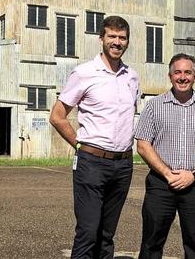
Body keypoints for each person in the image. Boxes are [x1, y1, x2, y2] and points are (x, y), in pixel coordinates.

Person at [49, 16, 140, 259]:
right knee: (88, 231)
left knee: (107, 234)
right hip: (92, 162)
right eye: (112, 36)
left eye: (122, 38)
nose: (117, 42)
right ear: (101, 38)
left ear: (128, 42)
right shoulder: (84, 73)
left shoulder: (132, 77)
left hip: (123, 164)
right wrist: (79, 144)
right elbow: (58, 116)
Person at [134, 53, 195, 259]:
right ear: (170, 76)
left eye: (188, 72)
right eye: (177, 72)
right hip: (160, 184)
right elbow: (142, 145)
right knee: (151, 244)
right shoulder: (154, 106)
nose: (182, 77)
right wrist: (168, 174)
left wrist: (192, 175)